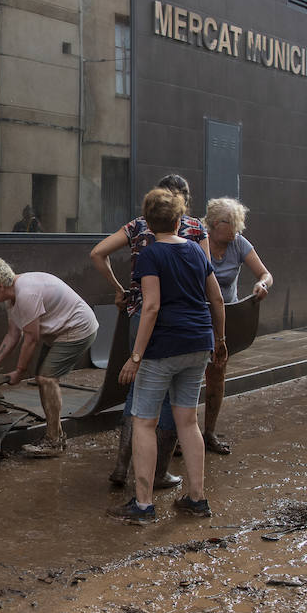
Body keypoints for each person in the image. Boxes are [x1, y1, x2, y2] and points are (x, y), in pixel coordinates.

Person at [89, 173, 208, 490]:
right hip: (182, 322)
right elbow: (206, 280)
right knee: (175, 403)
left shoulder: (139, 225)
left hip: (139, 314)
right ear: (183, 202)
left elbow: (97, 253)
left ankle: (121, 466)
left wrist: (120, 290)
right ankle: (159, 475)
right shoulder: (196, 229)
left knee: (138, 393)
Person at [117, 188, 227, 524]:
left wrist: (135, 357)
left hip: (163, 347)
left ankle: (144, 505)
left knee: (145, 422)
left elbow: (150, 306)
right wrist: (220, 340)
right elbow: (217, 299)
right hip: (199, 343)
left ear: (148, 224)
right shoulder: (196, 250)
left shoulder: (150, 254)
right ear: (180, 220)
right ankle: (196, 499)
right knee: (188, 421)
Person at [0, 259, 98, 458]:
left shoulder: (26, 293)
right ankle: (56, 436)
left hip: (78, 329)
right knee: (43, 378)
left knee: (47, 379)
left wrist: (19, 371)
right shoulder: (12, 296)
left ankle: (53, 442)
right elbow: (13, 334)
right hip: (59, 331)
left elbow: (31, 337)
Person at [201, 197, 273, 455]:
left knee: (217, 372)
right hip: (199, 315)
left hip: (226, 316)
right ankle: (177, 436)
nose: (235, 229)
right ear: (213, 224)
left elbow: (265, 274)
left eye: (237, 223)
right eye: (230, 223)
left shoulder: (239, 243)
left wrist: (262, 284)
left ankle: (209, 432)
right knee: (187, 376)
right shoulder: (198, 242)